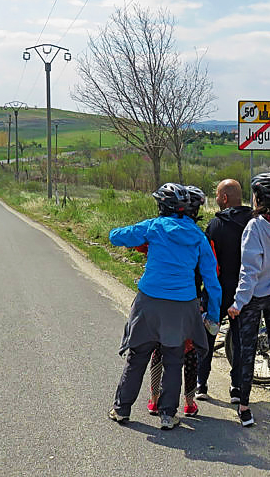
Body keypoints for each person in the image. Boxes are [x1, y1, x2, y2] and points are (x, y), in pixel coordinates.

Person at [108, 183, 221, 430]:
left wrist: (141, 236)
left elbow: (115, 236)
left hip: (149, 301)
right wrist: (213, 315)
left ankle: (121, 409)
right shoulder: (198, 237)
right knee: (174, 359)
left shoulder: (154, 227)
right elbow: (212, 282)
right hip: (182, 305)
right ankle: (168, 415)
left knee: (137, 357)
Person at [228, 136, 270, 427]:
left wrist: (238, 303)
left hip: (254, 298)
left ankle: (245, 407)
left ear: (258, 199)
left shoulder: (254, 227)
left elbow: (250, 271)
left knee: (248, 350)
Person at [145, 185, 208, 419]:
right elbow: (213, 273)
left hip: (160, 298)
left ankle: (154, 400)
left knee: (159, 349)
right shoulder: (200, 236)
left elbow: (145, 248)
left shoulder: (162, 229)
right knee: (189, 353)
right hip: (190, 301)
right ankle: (189, 402)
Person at [197, 178, 253, 403]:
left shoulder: (215, 225)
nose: (217, 198)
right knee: (240, 340)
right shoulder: (253, 222)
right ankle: (237, 387)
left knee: (208, 336)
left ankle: (201, 383)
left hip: (217, 290)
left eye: (218, 195)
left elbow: (205, 261)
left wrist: (200, 291)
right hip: (244, 291)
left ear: (225, 198)